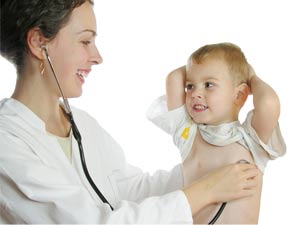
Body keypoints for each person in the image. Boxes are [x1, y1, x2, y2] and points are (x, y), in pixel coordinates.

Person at [0, 1, 259, 223]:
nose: (97, 56)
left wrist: (207, 165)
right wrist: (206, 190)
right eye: (85, 41)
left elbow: (129, 189)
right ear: (37, 42)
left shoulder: (81, 124)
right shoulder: (7, 142)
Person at [147, 43, 286, 224]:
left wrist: (250, 75)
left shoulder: (251, 140)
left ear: (239, 95)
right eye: (190, 86)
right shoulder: (188, 134)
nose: (196, 93)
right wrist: (203, 67)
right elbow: (174, 79)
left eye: (209, 85)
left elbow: (268, 103)